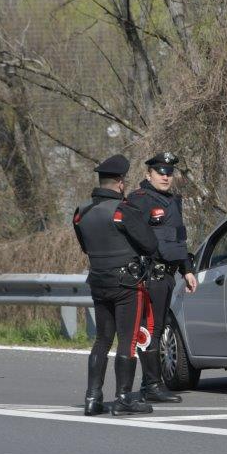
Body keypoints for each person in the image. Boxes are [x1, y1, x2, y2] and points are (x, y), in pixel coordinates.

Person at [71, 155, 158, 416]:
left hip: (98, 281)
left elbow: (85, 246)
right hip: (125, 283)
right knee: (128, 340)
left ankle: (92, 398)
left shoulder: (81, 212)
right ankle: (123, 398)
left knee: (102, 339)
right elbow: (150, 244)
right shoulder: (123, 210)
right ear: (120, 183)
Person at [125, 152, 197, 403]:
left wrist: (186, 269)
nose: (166, 177)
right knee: (151, 330)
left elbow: (178, 240)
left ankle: (151, 383)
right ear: (149, 174)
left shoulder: (173, 201)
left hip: (168, 276)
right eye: (161, 172)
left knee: (158, 329)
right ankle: (151, 385)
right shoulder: (139, 200)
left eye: (169, 172)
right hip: (151, 276)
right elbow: (131, 237)